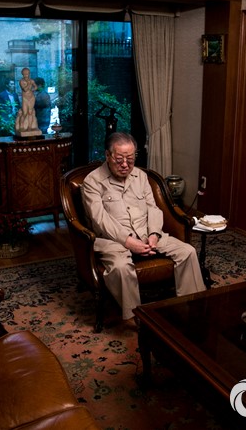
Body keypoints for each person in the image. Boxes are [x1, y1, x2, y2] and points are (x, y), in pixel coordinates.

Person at [81, 132, 206, 328]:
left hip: (147, 233)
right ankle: (134, 316)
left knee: (187, 251)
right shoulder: (92, 181)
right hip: (113, 240)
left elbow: (153, 208)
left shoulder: (140, 176)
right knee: (121, 267)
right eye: (119, 159)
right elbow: (100, 221)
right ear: (107, 155)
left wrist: (154, 234)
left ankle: (191, 303)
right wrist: (129, 242)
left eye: (130, 159)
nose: (125, 165)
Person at [16, 67, 38, 132]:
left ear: (29, 74)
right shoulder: (21, 81)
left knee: (30, 112)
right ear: (22, 74)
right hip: (25, 98)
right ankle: (21, 126)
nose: (26, 76)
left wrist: (33, 89)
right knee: (24, 113)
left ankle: (29, 127)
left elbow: (36, 87)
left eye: (27, 74)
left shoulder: (31, 80)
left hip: (31, 98)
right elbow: (25, 89)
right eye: (24, 74)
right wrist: (29, 83)